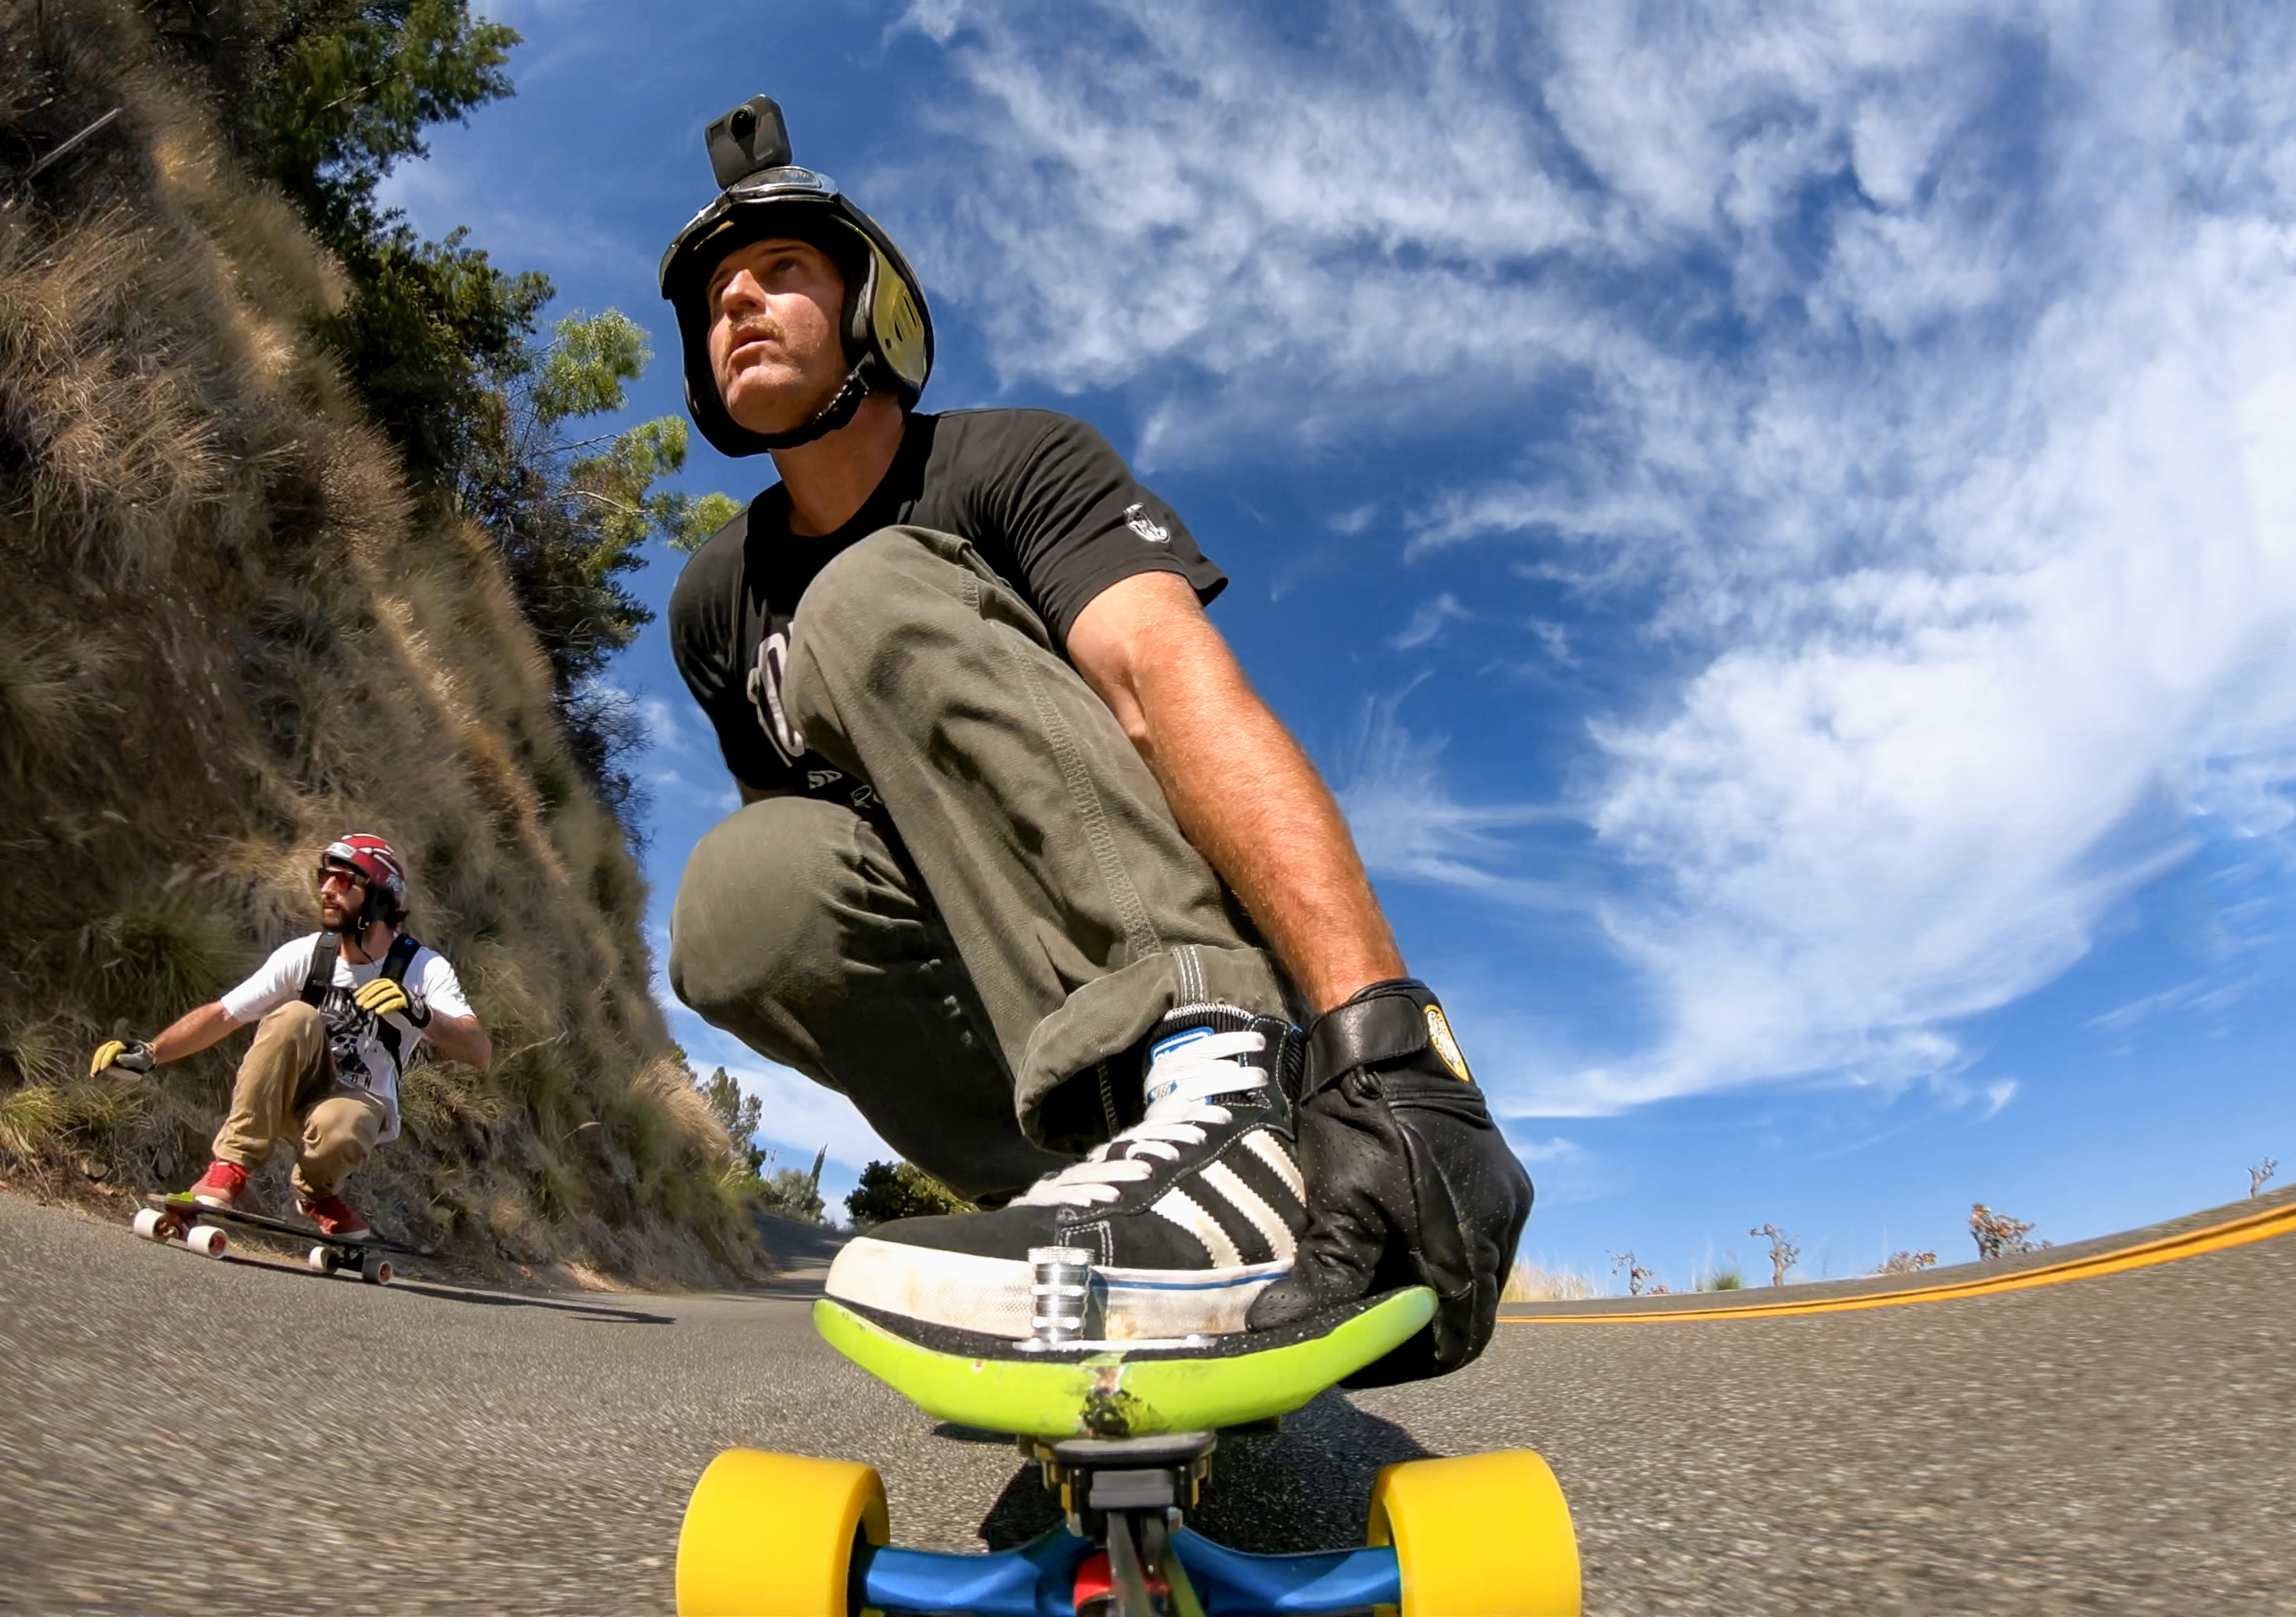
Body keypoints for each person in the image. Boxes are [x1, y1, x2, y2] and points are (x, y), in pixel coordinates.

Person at [658, 96, 1530, 1381]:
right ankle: (1093, 1181)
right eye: (716, 295)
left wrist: (1377, 1029)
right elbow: (807, 858)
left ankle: (1231, 1106)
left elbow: (1168, 688)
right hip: (1008, 1028)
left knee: (872, 593)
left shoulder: (1013, 462)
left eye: (781, 271)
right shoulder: (715, 603)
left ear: (871, 310)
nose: (737, 304)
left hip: (1178, 966)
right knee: (740, 899)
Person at [90, 834, 492, 1239]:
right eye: (324, 878)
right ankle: (230, 1166)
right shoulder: (307, 954)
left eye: (342, 880)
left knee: (344, 1124)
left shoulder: (424, 968)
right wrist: (151, 1052)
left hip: (355, 1107)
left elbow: (478, 1051)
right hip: (289, 1093)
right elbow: (223, 1014)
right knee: (294, 1015)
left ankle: (318, 1194)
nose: (325, 889)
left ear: (378, 895)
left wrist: (421, 1013)